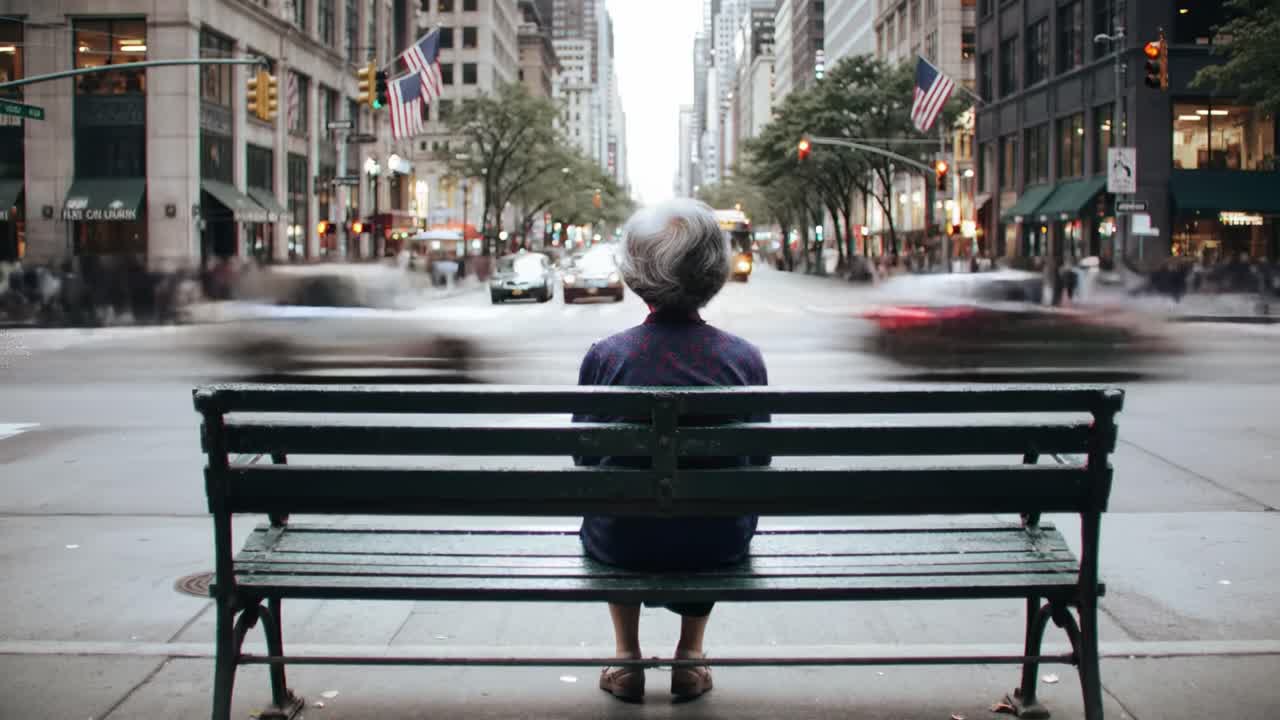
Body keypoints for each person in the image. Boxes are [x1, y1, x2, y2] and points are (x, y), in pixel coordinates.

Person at [573, 199, 770, 703]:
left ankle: (625, 657)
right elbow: (758, 459)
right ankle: (690, 656)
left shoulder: (605, 357)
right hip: (715, 543)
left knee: (615, 503)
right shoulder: (744, 359)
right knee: (712, 508)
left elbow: (584, 458)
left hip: (622, 542)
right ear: (713, 272)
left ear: (636, 275)